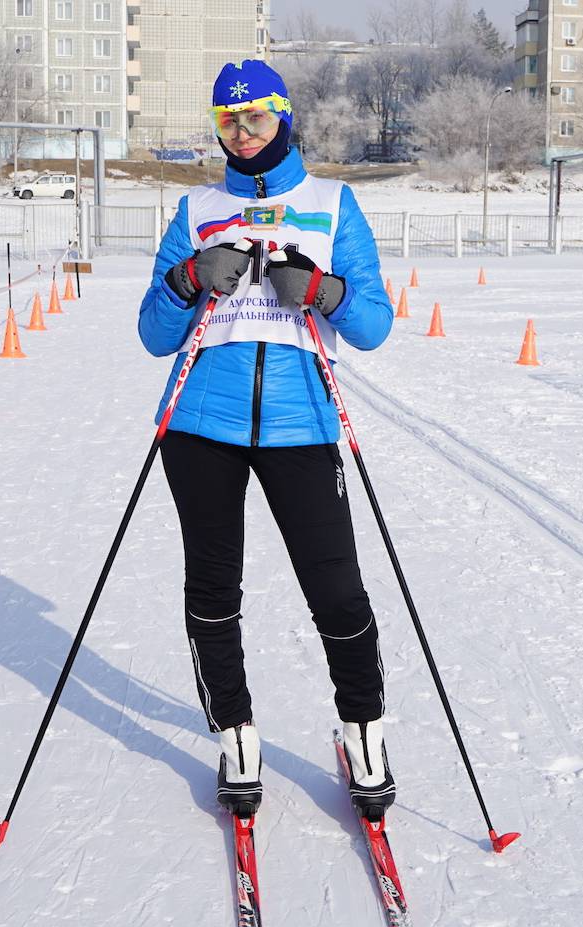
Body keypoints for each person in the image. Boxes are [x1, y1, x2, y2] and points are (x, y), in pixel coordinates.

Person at [136, 60, 397, 820]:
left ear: (283, 116)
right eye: (227, 122)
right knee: (213, 593)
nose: (242, 135)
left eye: (254, 119)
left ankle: (364, 733)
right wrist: (188, 279)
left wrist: (320, 291)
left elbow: (374, 324)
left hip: (302, 424)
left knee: (338, 593)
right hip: (200, 426)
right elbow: (153, 334)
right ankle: (236, 736)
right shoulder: (196, 207)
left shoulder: (331, 204)